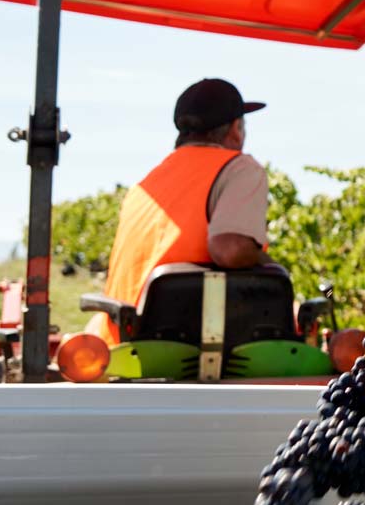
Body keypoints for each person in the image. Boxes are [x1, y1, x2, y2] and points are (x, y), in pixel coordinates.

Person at [85, 79, 271, 344]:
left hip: (119, 348)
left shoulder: (143, 187)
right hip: (184, 345)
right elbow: (230, 249)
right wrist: (271, 264)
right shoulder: (239, 168)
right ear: (235, 130)